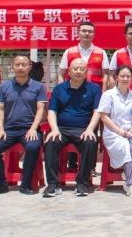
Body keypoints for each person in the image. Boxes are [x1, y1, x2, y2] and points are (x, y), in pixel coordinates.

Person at [0, 55, 47, 196]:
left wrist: (33, 128)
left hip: (29, 129)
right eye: (17, 64)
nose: (20, 67)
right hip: (9, 130)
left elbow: (40, 109)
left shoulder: (38, 87)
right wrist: (0, 129)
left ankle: (26, 184)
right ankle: (0, 184)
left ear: (29, 67)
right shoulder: (4, 86)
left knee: (33, 147)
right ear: (12, 67)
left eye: (24, 65)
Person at [43, 58, 102, 198]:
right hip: (62, 129)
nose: (78, 71)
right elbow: (52, 111)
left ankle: (82, 183)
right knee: (50, 142)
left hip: (83, 129)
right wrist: (54, 129)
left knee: (90, 142)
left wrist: (90, 129)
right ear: (69, 71)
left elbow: (97, 112)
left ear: (86, 72)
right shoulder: (59, 89)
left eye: (82, 69)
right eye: (75, 68)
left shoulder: (94, 89)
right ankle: (53, 184)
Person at [97, 66, 132, 198]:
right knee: (128, 148)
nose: (125, 78)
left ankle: (129, 174)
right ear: (116, 77)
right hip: (113, 134)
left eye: (128, 76)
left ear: (131, 78)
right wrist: (119, 131)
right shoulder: (108, 95)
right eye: (122, 76)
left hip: (130, 132)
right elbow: (104, 117)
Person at [58, 21, 109, 87]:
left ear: (94, 34)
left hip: (94, 90)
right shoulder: (69, 52)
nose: (87, 33)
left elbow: (105, 75)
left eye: (90, 31)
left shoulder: (101, 53)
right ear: (78, 32)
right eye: (84, 31)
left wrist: (104, 91)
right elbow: (61, 74)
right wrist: (61, 90)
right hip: (72, 90)